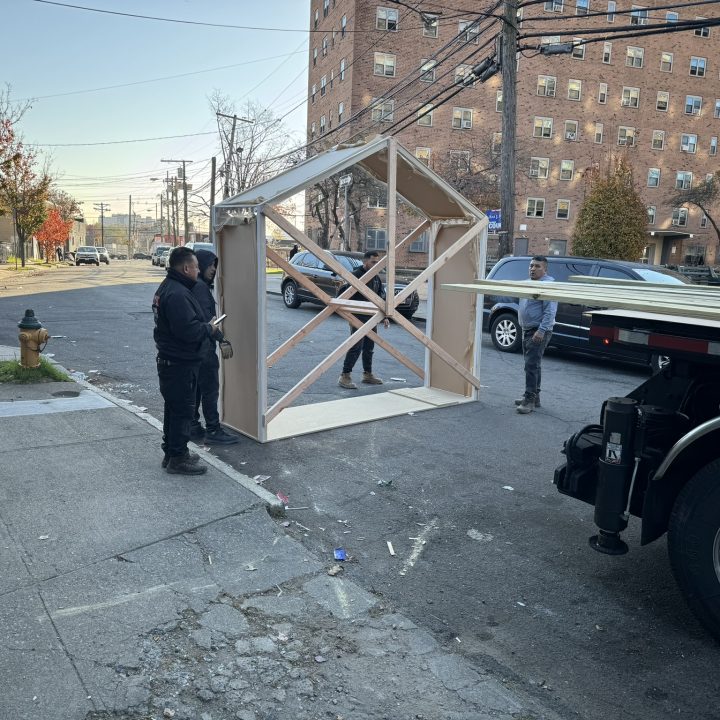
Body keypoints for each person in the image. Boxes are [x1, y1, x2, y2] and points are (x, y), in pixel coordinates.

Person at [152, 246, 223, 474]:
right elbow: (189, 331)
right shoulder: (178, 294)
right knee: (182, 411)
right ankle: (178, 459)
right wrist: (209, 328)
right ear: (186, 268)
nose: (198, 270)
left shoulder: (170, 288)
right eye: (195, 266)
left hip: (172, 361)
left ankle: (173, 452)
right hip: (179, 363)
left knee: (174, 410)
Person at [190, 249, 238, 445]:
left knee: (197, 389)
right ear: (200, 265)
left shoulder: (196, 285)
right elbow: (206, 320)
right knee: (209, 389)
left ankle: (193, 426)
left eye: (215, 265)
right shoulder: (200, 288)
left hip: (196, 348)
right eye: (210, 265)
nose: (213, 269)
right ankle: (213, 429)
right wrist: (221, 338)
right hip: (204, 348)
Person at [338, 250, 389, 390]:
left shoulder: (376, 278)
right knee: (356, 347)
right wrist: (348, 315)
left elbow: (381, 297)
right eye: (373, 262)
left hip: (372, 317)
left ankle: (367, 374)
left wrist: (384, 316)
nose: (375, 265)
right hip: (357, 317)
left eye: (377, 263)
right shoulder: (355, 276)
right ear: (364, 261)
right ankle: (345, 375)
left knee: (369, 348)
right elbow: (341, 295)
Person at [516, 255, 557, 414]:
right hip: (527, 329)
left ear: (545, 269)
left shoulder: (548, 285)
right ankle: (534, 396)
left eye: (537, 266)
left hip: (538, 331)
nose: (532, 269)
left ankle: (529, 400)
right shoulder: (529, 283)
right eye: (531, 266)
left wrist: (541, 331)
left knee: (531, 365)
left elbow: (550, 312)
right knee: (534, 364)